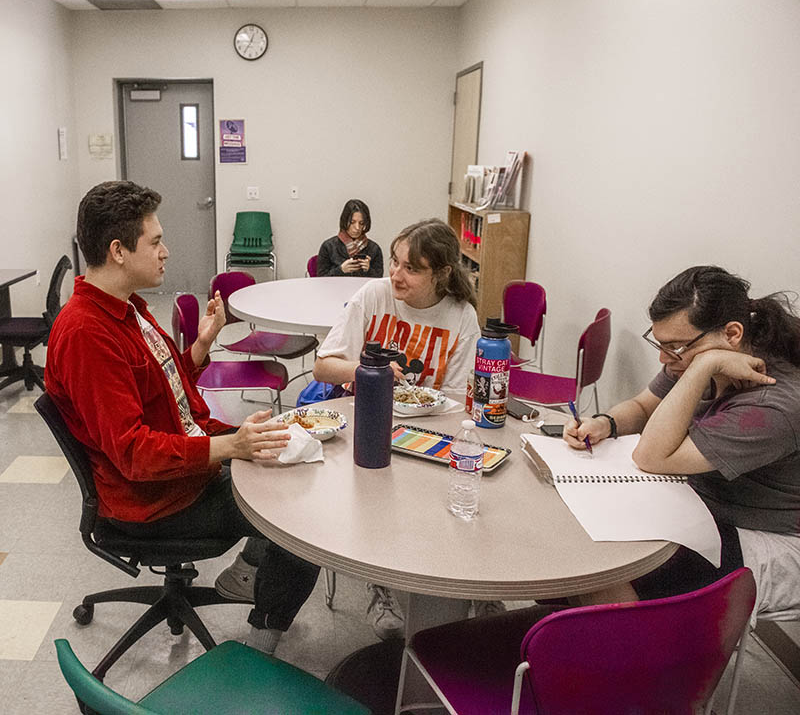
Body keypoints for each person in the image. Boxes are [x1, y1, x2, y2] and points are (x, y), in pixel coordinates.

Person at [45, 181, 320, 655]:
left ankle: (250, 570)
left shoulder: (127, 307)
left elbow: (164, 388)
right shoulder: (88, 334)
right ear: (118, 251)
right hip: (152, 501)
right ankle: (261, 646)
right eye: (155, 242)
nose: (165, 252)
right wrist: (231, 448)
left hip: (184, 464)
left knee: (286, 454)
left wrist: (202, 345)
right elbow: (133, 453)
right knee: (304, 523)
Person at [565, 265, 800, 615]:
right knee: (576, 528)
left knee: (600, 565)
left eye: (674, 348)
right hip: (699, 504)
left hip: (760, 534)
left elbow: (651, 457)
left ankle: (633, 658)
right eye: (660, 345)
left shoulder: (771, 405)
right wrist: (606, 422)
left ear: (732, 334)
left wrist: (702, 367)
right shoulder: (692, 357)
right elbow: (645, 406)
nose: (664, 358)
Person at [313, 218, 503, 639]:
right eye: (395, 262)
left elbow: (457, 400)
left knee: (458, 497)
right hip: (370, 423)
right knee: (376, 499)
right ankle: (380, 583)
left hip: (432, 428)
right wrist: (372, 369)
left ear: (442, 274)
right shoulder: (374, 295)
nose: (396, 274)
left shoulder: (460, 316)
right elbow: (324, 364)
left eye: (411, 268)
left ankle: (474, 582)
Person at [316, 199, 383, 278]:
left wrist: (368, 270)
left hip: (364, 289)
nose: (357, 228)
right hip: (335, 289)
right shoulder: (328, 246)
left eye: (361, 223)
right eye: (352, 222)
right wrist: (341, 270)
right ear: (344, 221)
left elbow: (378, 281)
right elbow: (320, 279)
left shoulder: (374, 249)